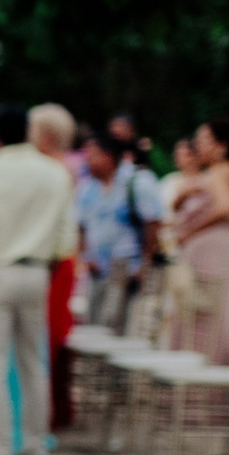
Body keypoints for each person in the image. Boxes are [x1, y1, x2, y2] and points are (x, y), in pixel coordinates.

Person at [0, 104, 78, 455]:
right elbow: (64, 238)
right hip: (36, 272)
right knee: (33, 362)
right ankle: (35, 443)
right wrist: (46, 270)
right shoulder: (55, 174)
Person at [167, 115, 229, 363]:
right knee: (217, 316)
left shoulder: (217, 172)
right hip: (226, 250)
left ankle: (192, 389)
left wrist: (190, 231)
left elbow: (225, 208)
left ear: (222, 145)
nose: (198, 145)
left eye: (204, 139)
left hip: (208, 253)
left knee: (200, 316)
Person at [75, 129, 157, 331]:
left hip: (126, 265)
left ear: (108, 156)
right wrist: (86, 256)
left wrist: (144, 264)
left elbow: (153, 224)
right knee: (93, 322)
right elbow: (80, 226)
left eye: (92, 156)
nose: (87, 162)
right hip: (97, 268)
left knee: (117, 324)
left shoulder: (136, 182)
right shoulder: (87, 188)